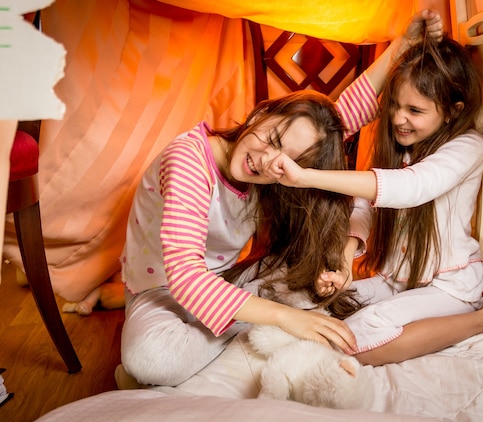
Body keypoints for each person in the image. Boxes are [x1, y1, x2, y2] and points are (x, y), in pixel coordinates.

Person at [116, 10, 445, 387]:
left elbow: (343, 117)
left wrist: (403, 45)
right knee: (151, 360)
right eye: (271, 140)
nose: (266, 161)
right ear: (261, 113)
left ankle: (245, 329)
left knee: (315, 296)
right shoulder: (190, 160)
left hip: (229, 282)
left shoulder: (278, 164)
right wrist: (284, 318)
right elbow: (186, 277)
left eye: (285, 161)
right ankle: (251, 331)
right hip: (163, 291)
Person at [264, 35, 483, 366]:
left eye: (414, 110)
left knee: (355, 336)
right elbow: (365, 208)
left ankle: (481, 319)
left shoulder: (467, 146)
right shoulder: (400, 147)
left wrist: (305, 177)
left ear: (452, 112)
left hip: (450, 287)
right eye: (394, 104)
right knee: (310, 301)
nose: (397, 118)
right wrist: (345, 264)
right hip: (396, 280)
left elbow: (412, 186)